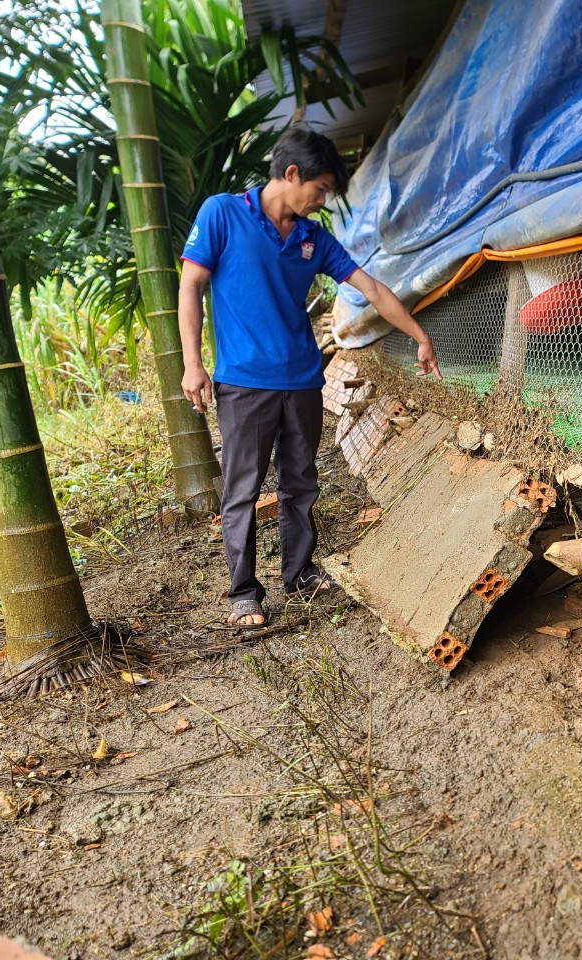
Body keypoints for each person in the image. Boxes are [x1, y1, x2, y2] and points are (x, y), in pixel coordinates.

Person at [178, 125, 441, 626]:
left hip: (302, 382)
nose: (322, 202)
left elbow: (372, 289)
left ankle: (298, 573)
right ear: (291, 174)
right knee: (243, 490)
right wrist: (193, 363)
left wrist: (418, 335)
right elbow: (190, 287)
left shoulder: (313, 238)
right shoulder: (223, 213)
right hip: (245, 383)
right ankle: (243, 594)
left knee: (301, 482)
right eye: (319, 190)